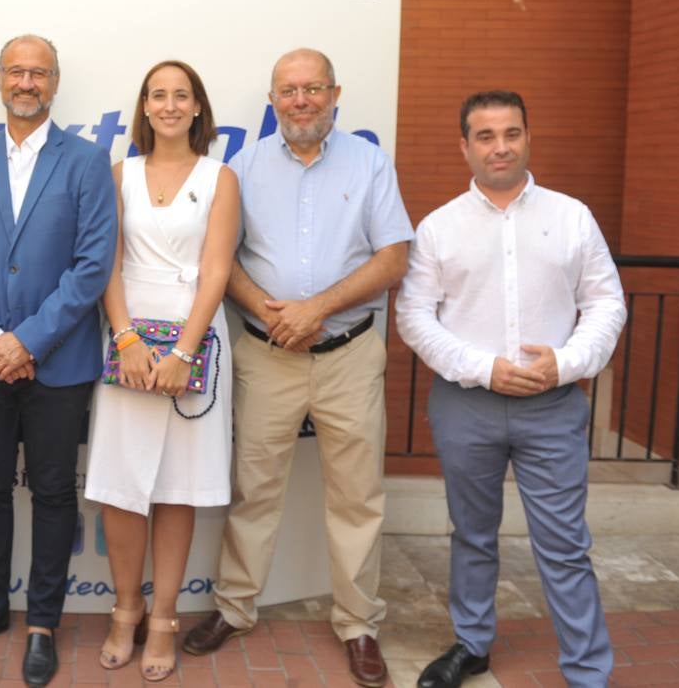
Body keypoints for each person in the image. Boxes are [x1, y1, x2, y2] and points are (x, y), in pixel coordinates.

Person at [183, 47, 413, 688]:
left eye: (313, 89)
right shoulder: (244, 166)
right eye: (289, 91)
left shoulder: (369, 163)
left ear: (334, 94)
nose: (301, 101)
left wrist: (316, 309)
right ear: (273, 99)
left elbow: (393, 258)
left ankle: (359, 624)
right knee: (254, 490)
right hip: (266, 355)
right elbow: (219, 260)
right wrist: (272, 313)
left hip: (350, 356)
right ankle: (234, 608)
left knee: (357, 496)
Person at [396, 91, 626, 688]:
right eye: (486, 136)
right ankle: (472, 644)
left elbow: (605, 302)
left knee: (565, 545)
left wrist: (568, 362)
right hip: (465, 405)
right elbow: (415, 317)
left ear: (528, 137)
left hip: (551, 406)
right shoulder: (439, 227)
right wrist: (482, 366)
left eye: (511, 133)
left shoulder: (572, 216)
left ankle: (587, 670)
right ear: (465, 146)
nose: (500, 147)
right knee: (471, 534)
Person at [0, 35, 117, 687]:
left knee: (53, 491)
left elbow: (92, 267)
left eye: (39, 72)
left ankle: (43, 621)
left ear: (56, 82)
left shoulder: (88, 162)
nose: (27, 82)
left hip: (57, 364)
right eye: (17, 70)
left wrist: (28, 341)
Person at [84, 60, 239, 682]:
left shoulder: (220, 177)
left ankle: (165, 617)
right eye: (158, 95)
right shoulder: (118, 174)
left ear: (198, 107)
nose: (170, 105)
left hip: (194, 339)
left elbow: (218, 271)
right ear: (143, 108)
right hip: (127, 340)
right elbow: (107, 264)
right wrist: (125, 338)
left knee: (179, 485)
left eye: (182, 95)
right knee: (123, 485)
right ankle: (126, 609)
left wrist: (182, 353)